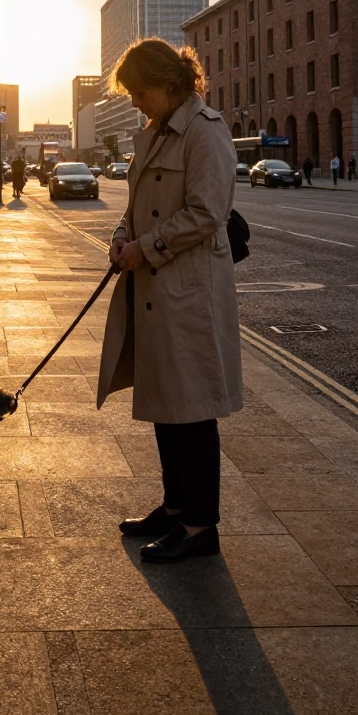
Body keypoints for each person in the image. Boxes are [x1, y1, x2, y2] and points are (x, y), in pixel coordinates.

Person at [98, 38, 242, 565]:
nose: (137, 102)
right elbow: (137, 205)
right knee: (166, 403)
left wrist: (146, 247)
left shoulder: (206, 132)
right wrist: (121, 236)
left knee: (193, 410)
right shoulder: (156, 132)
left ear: (168, 82)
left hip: (188, 292)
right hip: (154, 289)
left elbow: (207, 212)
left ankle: (201, 526)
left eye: (141, 92)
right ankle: (176, 507)